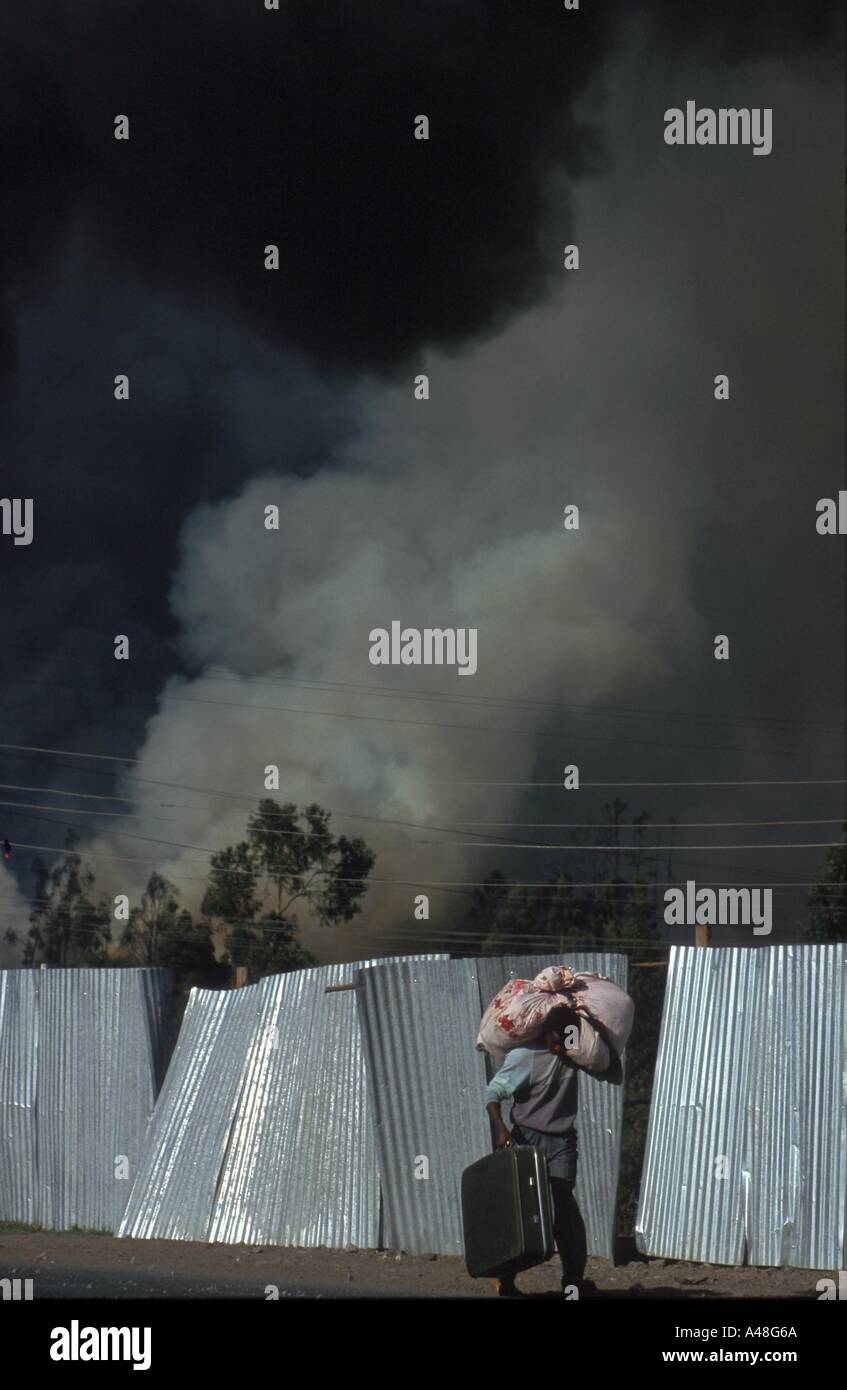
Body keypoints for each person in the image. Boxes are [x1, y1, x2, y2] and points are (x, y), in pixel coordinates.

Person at [483, 1002, 611, 1298]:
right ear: (545, 1032)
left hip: (563, 1142)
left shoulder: (575, 1055)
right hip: (527, 1141)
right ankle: (506, 1279)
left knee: (564, 1207)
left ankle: (573, 1281)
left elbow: (605, 1061)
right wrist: (502, 1130)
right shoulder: (524, 1058)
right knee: (522, 1210)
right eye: (557, 1038)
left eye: (568, 1038)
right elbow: (493, 1094)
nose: (561, 1045)